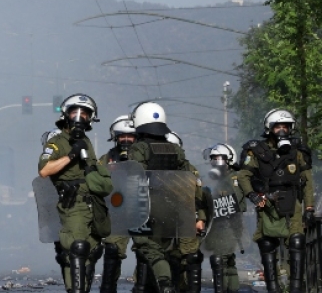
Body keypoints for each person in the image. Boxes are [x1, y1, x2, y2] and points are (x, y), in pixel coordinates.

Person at [127, 102, 206, 293]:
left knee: (149, 249)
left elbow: (134, 178)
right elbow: (190, 181)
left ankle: (164, 284)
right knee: (167, 251)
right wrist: (197, 214)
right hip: (173, 210)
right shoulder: (175, 149)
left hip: (148, 208)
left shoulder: (139, 149)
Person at [38, 94, 112, 293]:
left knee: (93, 251)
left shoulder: (87, 142)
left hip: (94, 203)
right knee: (77, 247)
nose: (79, 117)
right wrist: (71, 155)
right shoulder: (58, 141)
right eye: (75, 112)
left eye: (85, 113)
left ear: (91, 118)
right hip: (73, 202)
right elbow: (44, 170)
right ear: (66, 115)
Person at [238, 109, 315, 293]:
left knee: (296, 241)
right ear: (269, 128)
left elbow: (307, 180)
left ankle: (295, 287)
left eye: (285, 126)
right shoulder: (257, 150)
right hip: (267, 203)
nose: (282, 130)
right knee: (267, 243)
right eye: (278, 126)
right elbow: (243, 176)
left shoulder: (297, 152)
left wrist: (309, 207)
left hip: (293, 203)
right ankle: (274, 288)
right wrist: (253, 195)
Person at [97, 115, 135, 293]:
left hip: (144, 211)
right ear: (115, 137)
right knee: (112, 250)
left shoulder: (147, 155)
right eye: (122, 136)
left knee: (149, 253)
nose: (126, 140)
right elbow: (95, 181)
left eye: (131, 136)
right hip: (118, 212)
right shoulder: (106, 159)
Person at [201, 143, 245, 293]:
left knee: (220, 260)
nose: (216, 162)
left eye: (219, 159)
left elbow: (235, 202)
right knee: (228, 263)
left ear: (229, 160)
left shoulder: (233, 178)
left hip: (228, 224)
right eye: (213, 159)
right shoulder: (221, 180)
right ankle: (232, 289)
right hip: (221, 224)